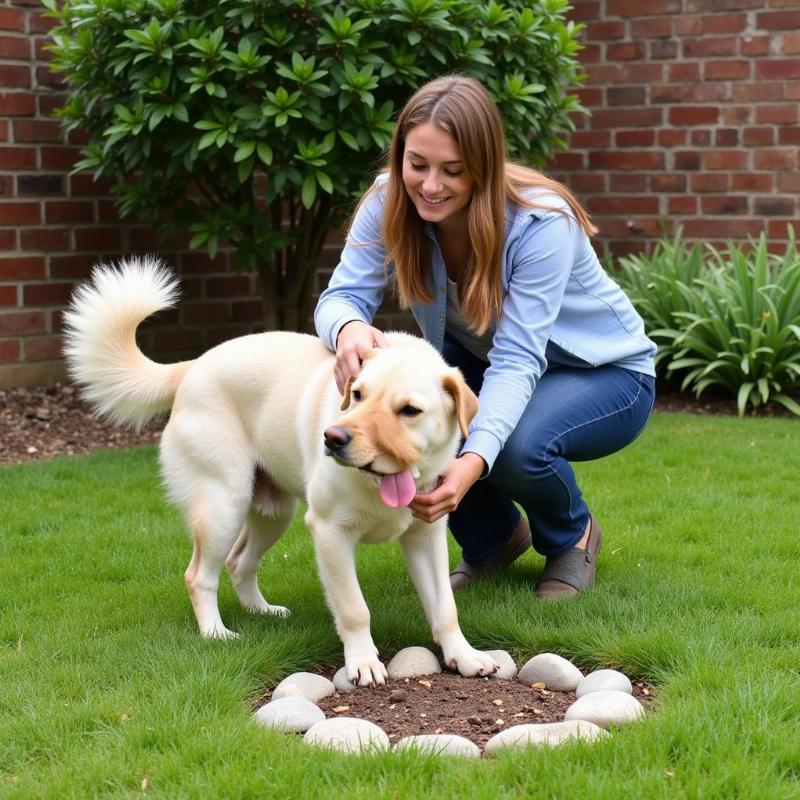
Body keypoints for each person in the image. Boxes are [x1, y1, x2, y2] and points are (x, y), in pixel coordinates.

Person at [314, 75, 656, 600]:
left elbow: (519, 360)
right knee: (426, 410)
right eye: (417, 164)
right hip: (488, 357)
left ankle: (572, 534)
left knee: (514, 446)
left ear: (485, 166)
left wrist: (470, 465)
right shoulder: (387, 200)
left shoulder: (542, 223)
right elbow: (339, 298)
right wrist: (349, 327)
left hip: (606, 374)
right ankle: (493, 540)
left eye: (453, 171)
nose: (430, 185)